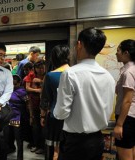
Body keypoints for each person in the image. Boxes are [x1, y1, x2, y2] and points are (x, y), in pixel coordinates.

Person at [53, 27, 115, 160]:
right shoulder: (108, 76)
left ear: (79, 45)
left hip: (75, 142)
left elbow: (61, 113)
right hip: (98, 139)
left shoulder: (71, 74)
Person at [40, 45, 70, 160]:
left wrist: (42, 116)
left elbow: (45, 99)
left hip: (55, 117)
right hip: (71, 118)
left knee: (55, 151)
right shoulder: (75, 73)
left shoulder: (51, 75)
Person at [113, 39, 135, 160]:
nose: (116, 53)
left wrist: (119, 124)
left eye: (118, 51)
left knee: (125, 156)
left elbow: (127, 100)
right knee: (131, 153)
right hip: (131, 117)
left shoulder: (129, 72)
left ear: (126, 53)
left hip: (127, 119)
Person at [3, 74, 27, 160]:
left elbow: (27, 104)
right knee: (5, 138)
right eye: (11, 84)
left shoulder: (22, 92)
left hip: (17, 118)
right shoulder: (7, 90)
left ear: (19, 83)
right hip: (7, 118)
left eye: (15, 84)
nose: (13, 86)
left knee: (19, 140)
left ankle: (19, 158)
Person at [25, 59, 46, 154]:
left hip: (44, 104)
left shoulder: (48, 75)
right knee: (35, 126)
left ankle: (42, 146)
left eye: (42, 68)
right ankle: (36, 145)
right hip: (33, 103)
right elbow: (27, 87)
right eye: (38, 68)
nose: (40, 70)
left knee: (43, 127)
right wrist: (38, 90)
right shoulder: (31, 75)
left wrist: (41, 81)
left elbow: (47, 88)